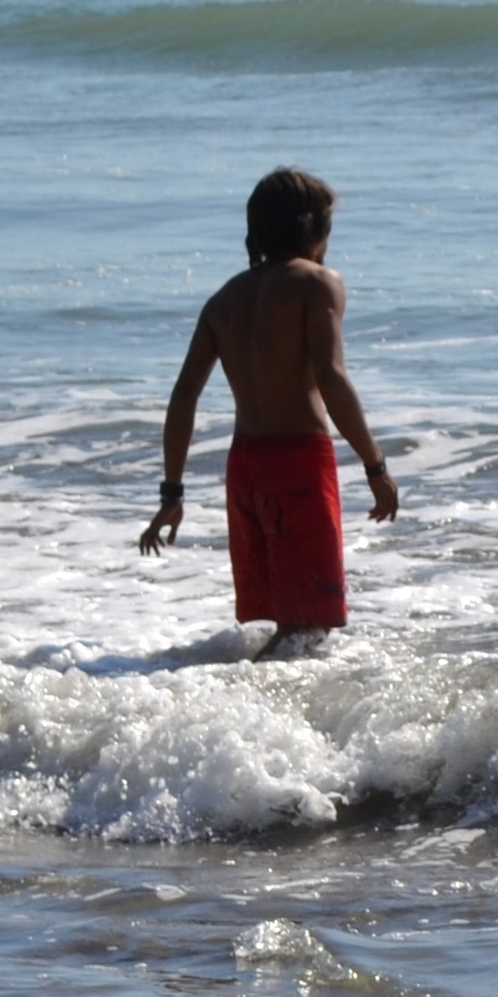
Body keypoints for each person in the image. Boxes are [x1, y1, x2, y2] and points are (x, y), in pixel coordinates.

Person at [138, 169, 400, 647]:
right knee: (307, 627)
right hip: (297, 463)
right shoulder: (318, 283)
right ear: (314, 227)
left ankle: (237, 693)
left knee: (287, 623)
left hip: (245, 468)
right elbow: (330, 377)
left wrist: (171, 493)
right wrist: (375, 465)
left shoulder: (224, 299)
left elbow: (184, 394)